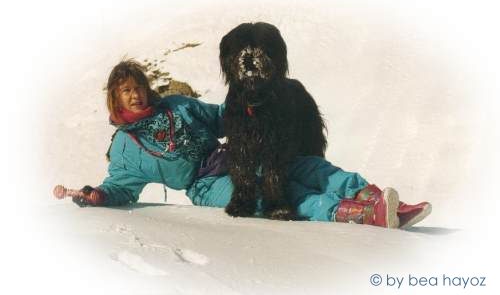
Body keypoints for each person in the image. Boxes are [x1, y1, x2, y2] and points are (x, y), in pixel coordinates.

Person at [54, 59, 431, 229]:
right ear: (116, 99)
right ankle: (354, 214)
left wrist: (247, 104)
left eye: (138, 87)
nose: (135, 95)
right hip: (207, 185)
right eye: (126, 91)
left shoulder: (177, 105)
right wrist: (96, 197)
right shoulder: (125, 146)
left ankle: (376, 198)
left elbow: (221, 117)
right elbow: (120, 187)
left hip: (230, 154)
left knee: (304, 166)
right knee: (278, 194)